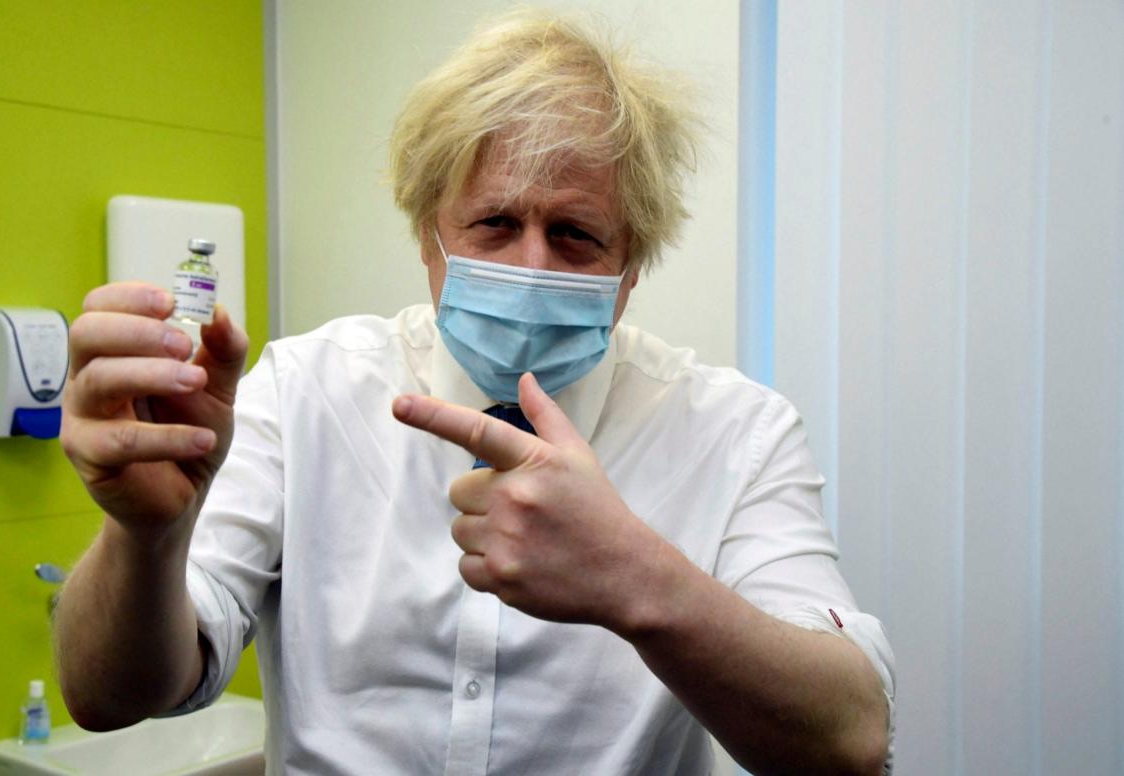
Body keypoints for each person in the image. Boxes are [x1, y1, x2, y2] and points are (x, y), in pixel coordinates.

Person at [56, 9, 895, 775]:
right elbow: (109, 698)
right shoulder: (305, 392)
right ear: (429, 236)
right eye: (495, 223)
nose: (531, 266)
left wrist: (639, 581)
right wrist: (146, 539)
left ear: (632, 266)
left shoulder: (734, 434)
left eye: (574, 235)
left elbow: (849, 740)